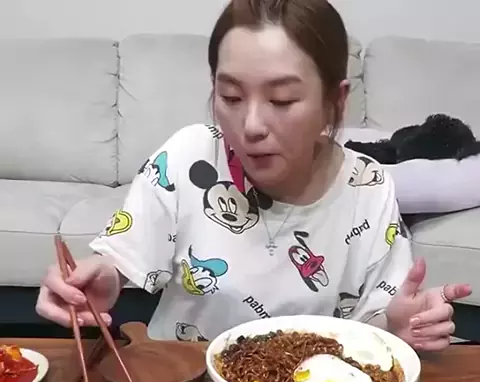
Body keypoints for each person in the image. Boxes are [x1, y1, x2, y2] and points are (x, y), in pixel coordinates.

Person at [36, 0, 471, 351]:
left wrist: (398, 328)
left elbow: (377, 318)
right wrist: (101, 280)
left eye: (282, 100)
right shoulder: (188, 157)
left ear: (334, 103)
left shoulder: (368, 187)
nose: (251, 126)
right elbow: (120, 260)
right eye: (231, 96)